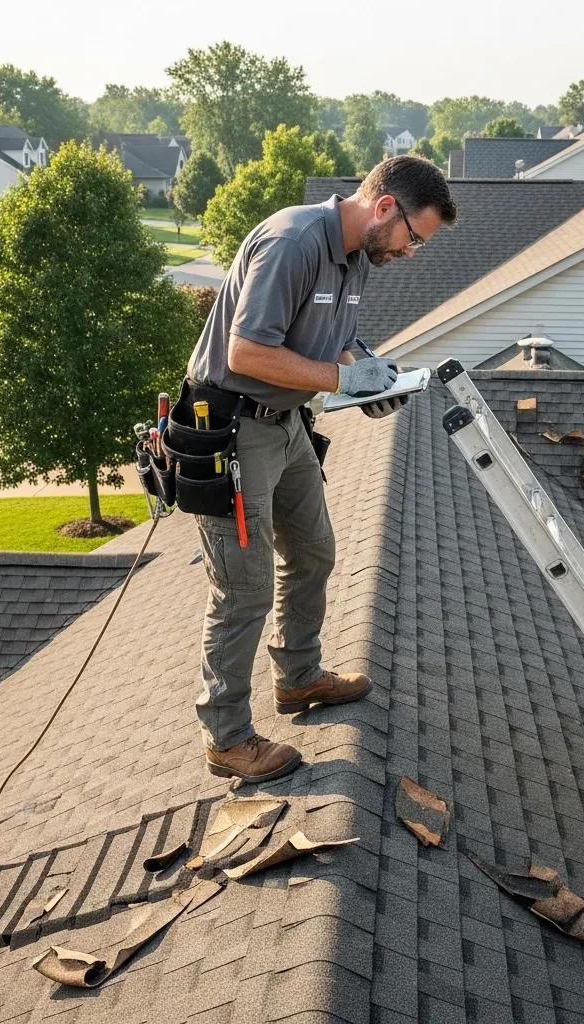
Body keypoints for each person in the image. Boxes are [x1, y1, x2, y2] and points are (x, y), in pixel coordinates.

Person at [184, 156, 457, 782]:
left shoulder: (357, 255)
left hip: (285, 424)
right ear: (384, 207)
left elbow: (332, 339)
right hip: (233, 427)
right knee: (243, 587)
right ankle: (227, 736)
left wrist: (371, 375)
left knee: (314, 552)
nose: (413, 252)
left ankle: (299, 678)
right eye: (414, 236)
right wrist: (342, 377)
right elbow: (246, 350)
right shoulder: (294, 241)